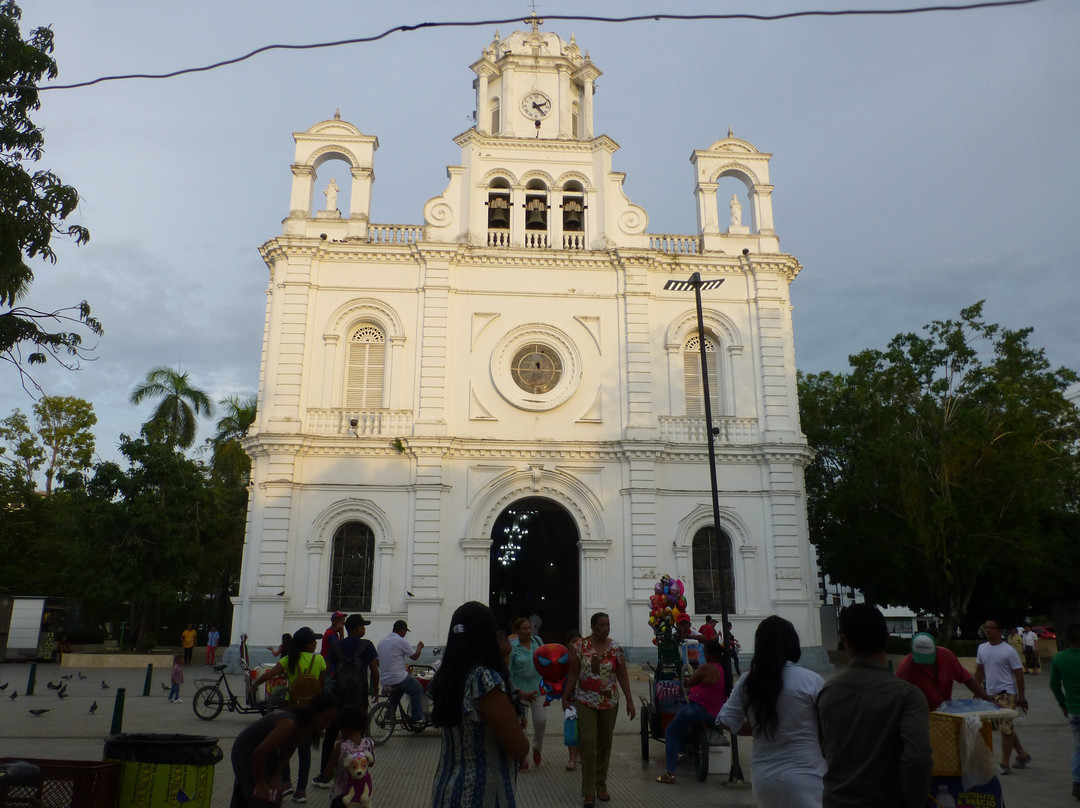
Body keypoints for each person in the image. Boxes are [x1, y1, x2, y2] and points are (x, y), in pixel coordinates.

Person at [816, 603, 931, 808]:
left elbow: (825, 748)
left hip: (837, 800)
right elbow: (918, 759)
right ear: (887, 637)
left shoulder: (828, 691)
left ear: (846, 641)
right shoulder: (908, 696)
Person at [429, 601, 529, 808]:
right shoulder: (483, 680)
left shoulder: (446, 677)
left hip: (446, 788)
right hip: (481, 793)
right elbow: (518, 748)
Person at [718, 616, 826, 807]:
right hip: (807, 773)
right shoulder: (811, 681)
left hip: (764, 777)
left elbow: (726, 721)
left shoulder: (747, 681)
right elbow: (828, 725)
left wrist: (757, 728)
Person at [562, 612, 636, 808]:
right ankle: (588, 791)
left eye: (608, 625)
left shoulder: (615, 649)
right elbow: (572, 673)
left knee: (604, 743)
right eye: (602, 625)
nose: (606, 628)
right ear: (593, 627)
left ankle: (601, 785)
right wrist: (565, 697)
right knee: (588, 742)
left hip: (609, 702)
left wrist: (630, 701)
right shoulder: (580, 647)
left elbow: (622, 675)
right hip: (585, 701)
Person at [251, 626, 327, 802]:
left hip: (291, 708)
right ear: (307, 645)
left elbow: (268, 675)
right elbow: (321, 687)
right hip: (310, 712)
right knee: (304, 752)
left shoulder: (288, 659)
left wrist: (254, 685)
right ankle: (301, 791)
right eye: (313, 641)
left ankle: (286, 782)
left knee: (284, 746)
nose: (316, 643)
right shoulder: (320, 660)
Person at [230, 691, 338, 808]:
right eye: (325, 719)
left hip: (266, 753)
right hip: (246, 751)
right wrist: (260, 783)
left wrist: (276, 777)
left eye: (331, 721)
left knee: (274, 793)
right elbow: (259, 753)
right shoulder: (288, 724)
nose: (327, 725)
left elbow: (289, 750)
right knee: (259, 796)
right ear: (314, 714)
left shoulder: (308, 729)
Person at [314, 613, 379, 788]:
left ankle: (324, 775)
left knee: (331, 736)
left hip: (338, 698)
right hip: (359, 698)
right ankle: (359, 773)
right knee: (359, 736)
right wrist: (376, 690)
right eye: (362, 626)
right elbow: (374, 670)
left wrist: (321, 691)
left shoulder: (337, 646)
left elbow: (325, 669)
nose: (364, 629)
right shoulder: (367, 645)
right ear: (355, 628)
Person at [656, 639, 726, 785]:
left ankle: (670, 773)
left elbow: (692, 679)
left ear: (711, 655)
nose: (704, 656)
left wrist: (688, 682)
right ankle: (681, 752)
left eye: (705, 653)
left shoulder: (707, 667)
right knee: (682, 726)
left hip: (698, 708)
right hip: (714, 711)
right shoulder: (722, 668)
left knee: (671, 731)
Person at [975, 618, 1031, 775]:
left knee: (1005, 727)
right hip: (990, 693)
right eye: (986, 627)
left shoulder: (1008, 650)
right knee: (1005, 727)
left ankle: (1005, 762)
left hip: (1007, 693)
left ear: (1000, 631)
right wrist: (976, 691)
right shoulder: (982, 649)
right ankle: (1022, 754)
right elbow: (979, 671)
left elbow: (1018, 674)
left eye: (991, 628)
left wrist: (1021, 696)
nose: (988, 630)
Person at [895, 632, 990, 710]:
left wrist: (988, 699)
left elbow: (967, 679)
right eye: (921, 659)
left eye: (928, 658)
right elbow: (897, 697)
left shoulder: (947, 656)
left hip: (945, 710)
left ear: (936, 650)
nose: (925, 663)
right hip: (920, 713)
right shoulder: (906, 667)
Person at [508, 616, 546, 772]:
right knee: (521, 726)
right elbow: (508, 669)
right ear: (517, 631)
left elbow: (546, 660)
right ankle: (522, 758)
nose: (528, 631)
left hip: (538, 687)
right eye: (524, 628)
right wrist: (514, 690)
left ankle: (537, 746)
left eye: (529, 628)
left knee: (541, 720)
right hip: (521, 690)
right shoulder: (512, 647)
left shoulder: (538, 642)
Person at [320, 704, 374, 807]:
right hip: (361, 795)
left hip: (342, 795)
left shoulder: (340, 747)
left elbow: (327, 775)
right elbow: (371, 763)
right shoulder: (368, 744)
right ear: (363, 727)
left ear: (343, 729)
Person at [1049, 624, 1080, 801]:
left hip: (1073, 710)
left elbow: (1054, 685)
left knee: (1078, 747)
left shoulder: (1059, 658)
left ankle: (1077, 783)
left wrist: (1063, 704)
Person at [377, 619, 425, 724]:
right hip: (397, 676)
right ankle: (417, 717)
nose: (405, 634)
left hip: (385, 678)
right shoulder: (400, 640)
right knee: (417, 689)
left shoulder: (382, 641)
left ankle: (390, 711)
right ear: (402, 630)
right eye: (405, 632)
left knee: (399, 688)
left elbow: (378, 661)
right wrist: (419, 647)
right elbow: (415, 657)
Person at [564, 630, 582, 773]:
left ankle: (580, 754)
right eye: (573, 641)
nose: (576, 644)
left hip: (586, 697)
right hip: (570, 697)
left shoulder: (586, 656)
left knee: (584, 728)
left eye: (578, 641)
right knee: (571, 726)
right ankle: (571, 758)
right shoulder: (563, 659)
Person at [321, 612, 347, 688]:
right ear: (334, 621)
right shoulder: (331, 634)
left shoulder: (333, 633)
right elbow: (340, 649)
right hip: (329, 667)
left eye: (343, 620)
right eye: (341, 620)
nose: (343, 622)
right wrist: (342, 633)